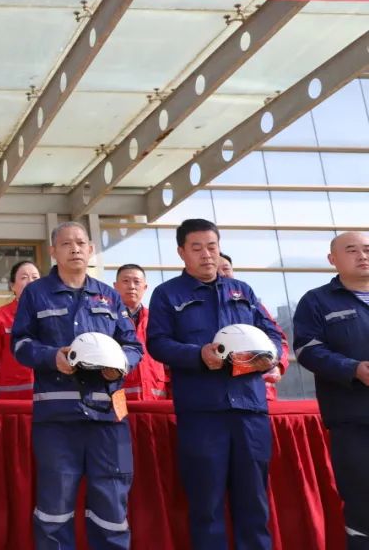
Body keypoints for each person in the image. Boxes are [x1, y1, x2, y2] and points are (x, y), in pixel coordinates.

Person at [147, 218, 282, 550]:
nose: (206, 255)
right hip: (202, 414)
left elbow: (273, 334)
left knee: (254, 501)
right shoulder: (168, 294)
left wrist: (271, 356)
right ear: (181, 252)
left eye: (212, 247)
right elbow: (158, 343)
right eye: (197, 248)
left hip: (249, 410)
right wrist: (198, 355)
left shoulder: (243, 291)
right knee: (206, 504)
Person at [12, 222, 142, 549]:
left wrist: (120, 366)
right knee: (54, 508)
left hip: (107, 420)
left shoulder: (109, 296)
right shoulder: (36, 294)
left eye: (81, 243)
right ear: (53, 251)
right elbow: (20, 344)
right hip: (57, 420)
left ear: (91, 249)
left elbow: (133, 346)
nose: (75, 249)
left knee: (111, 507)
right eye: (66, 244)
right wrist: (51, 357)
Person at [292, 231, 369, 548]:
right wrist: (354, 369)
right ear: (332, 259)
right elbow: (307, 349)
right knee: (363, 504)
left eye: (367, 249)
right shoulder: (317, 301)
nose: (362, 256)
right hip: (354, 422)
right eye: (352, 250)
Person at [218, 253, 290, 400]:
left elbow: (278, 338)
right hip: (215, 390)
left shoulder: (250, 303)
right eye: (216, 270)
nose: (222, 274)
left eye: (226, 268)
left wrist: (275, 364)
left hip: (259, 392)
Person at [0, 260, 41, 400]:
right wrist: (8, 374)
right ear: (13, 286)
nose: (30, 281)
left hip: (48, 393)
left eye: (35, 277)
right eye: (24, 277)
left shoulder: (51, 314)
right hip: (14, 395)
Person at [112, 264, 170, 401]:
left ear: (145, 287)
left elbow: (169, 362)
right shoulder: (108, 320)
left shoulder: (158, 319)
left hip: (157, 403)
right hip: (121, 403)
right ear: (115, 286)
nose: (131, 286)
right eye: (126, 281)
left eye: (137, 282)